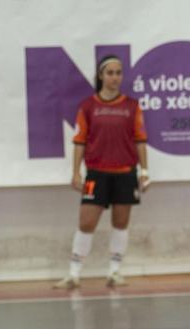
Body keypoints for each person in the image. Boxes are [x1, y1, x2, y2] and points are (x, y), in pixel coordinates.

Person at [54, 55, 149, 289]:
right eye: (110, 73)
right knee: (86, 222)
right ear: (100, 75)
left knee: (121, 222)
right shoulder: (88, 107)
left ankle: (115, 272)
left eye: (118, 73)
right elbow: (79, 141)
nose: (114, 77)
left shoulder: (132, 106)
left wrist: (144, 171)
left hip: (126, 173)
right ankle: (74, 274)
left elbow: (140, 140)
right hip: (96, 174)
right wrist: (76, 172)